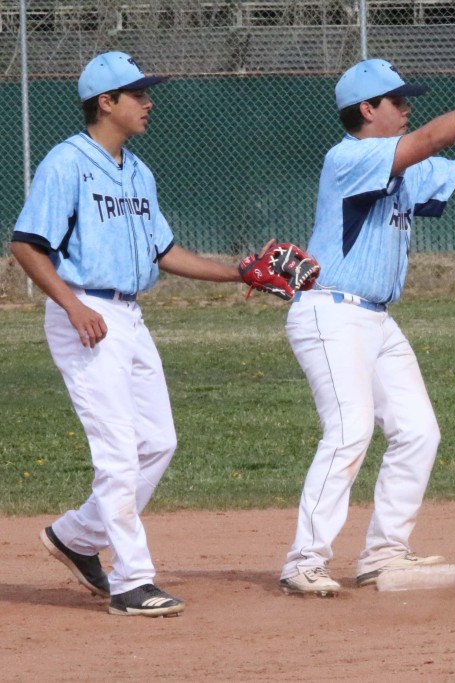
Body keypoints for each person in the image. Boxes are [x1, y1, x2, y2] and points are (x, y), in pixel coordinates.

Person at [10, 52, 264, 617]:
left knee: (158, 441)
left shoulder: (139, 171)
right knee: (119, 453)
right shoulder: (66, 163)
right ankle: (131, 582)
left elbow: (165, 252)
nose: (149, 102)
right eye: (138, 93)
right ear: (106, 102)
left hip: (127, 316)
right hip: (86, 315)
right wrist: (72, 306)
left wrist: (238, 271)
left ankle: (76, 536)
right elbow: (27, 244)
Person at [278, 45, 455, 596]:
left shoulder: (403, 169)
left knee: (418, 431)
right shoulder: (346, 158)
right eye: (397, 101)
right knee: (349, 431)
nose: (407, 107)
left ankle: (384, 555)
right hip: (331, 314)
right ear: (368, 110)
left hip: (375, 320)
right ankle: (303, 560)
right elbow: (433, 141)